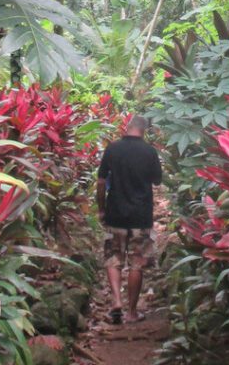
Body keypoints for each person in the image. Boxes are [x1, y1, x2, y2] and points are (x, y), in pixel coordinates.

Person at [97, 115, 162, 325]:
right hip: (140, 216)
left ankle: (116, 302)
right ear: (144, 130)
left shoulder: (113, 148)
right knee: (137, 263)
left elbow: (100, 181)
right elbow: (157, 180)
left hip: (115, 212)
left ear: (128, 127)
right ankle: (132, 312)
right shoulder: (150, 151)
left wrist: (101, 209)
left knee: (113, 259)